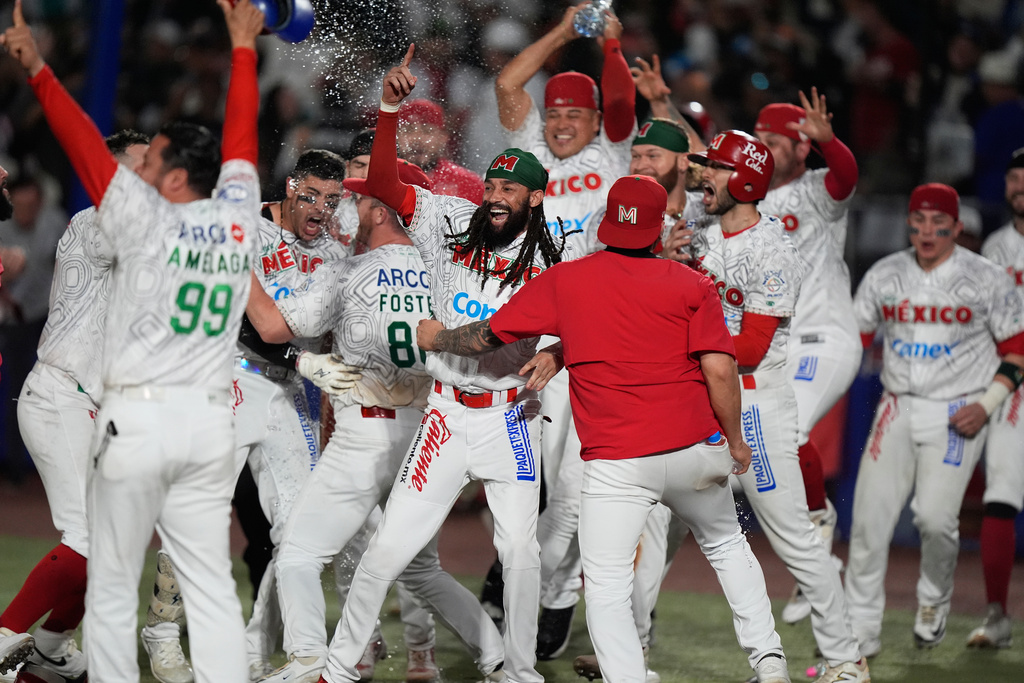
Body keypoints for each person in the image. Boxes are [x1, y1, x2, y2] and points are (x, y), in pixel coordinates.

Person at [417, 173, 793, 683]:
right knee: (728, 547)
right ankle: (768, 662)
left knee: (608, 585)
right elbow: (721, 369)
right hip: (692, 448)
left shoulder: (566, 279)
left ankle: (628, 678)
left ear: (609, 222)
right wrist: (735, 439)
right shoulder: (692, 283)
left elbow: (485, 337)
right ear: (659, 228)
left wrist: (438, 336)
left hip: (619, 463)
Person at [1, 1, 265, 681]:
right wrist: (243, 50)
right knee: (209, 587)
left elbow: (84, 143)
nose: (142, 173)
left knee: (114, 581)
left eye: (156, 163)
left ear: (175, 178)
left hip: (139, 418)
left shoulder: (142, 220)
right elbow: (242, 143)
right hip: (209, 422)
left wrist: (37, 71)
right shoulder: (239, 216)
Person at [316, 44, 568, 683]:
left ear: (535, 199)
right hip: (446, 415)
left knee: (518, 550)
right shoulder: (451, 219)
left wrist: (558, 353)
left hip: (509, 419)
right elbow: (382, 184)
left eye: (509, 188)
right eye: (491, 184)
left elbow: (566, 324)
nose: (494, 196)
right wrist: (387, 112)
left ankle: (517, 669)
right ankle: (339, 666)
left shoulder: (553, 255)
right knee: (388, 551)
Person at [244, 159, 504, 683]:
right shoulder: (443, 270)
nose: (346, 210)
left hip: (364, 434)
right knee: (423, 569)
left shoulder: (349, 271)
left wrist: (234, 264)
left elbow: (271, 327)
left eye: (357, 199)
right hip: (426, 432)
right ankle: (501, 660)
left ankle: (309, 660)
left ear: (381, 208)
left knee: (297, 555)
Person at [0, 131, 199, 683]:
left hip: (92, 404)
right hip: (61, 395)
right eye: (140, 165)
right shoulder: (100, 221)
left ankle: (49, 648)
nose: (152, 174)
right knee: (86, 539)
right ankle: (6, 633)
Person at [683, 130, 869, 682]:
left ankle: (844, 659)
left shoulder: (774, 249)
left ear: (744, 180)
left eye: (714, 168)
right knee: (657, 525)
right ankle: (632, 653)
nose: (703, 176)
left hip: (755, 405)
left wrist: (675, 339)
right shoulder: (699, 233)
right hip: (699, 400)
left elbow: (751, 348)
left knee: (794, 538)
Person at [494, 3, 637, 654]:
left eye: (572, 115)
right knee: (528, 475)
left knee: (576, 486)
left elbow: (622, 103)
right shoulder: (529, 149)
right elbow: (506, 85)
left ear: (594, 121)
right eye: (552, 114)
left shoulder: (613, 149)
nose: (558, 125)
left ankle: (551, 594)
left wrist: (608, 44)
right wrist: (561, 32)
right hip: (529, 336)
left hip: (589, 341)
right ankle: (518, 574)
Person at [846, 183, 1024, 657]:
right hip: (897, 403)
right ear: (908, 222)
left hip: (957, 407)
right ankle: (861, 628)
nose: (927, 231)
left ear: (957, 228)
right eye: (918, 221)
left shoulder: (987, 278)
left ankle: (933, 601)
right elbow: (854, 337)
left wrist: (986, 405)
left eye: (937, 223)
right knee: (867, 521)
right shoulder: (886, 274)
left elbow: (1018, 350)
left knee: (936, 518)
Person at [230, 147, 350, 678]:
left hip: (293, 390)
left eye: (331, 200)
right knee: (194, 515)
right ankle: (163, 632)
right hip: (229, 378)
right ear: (289, 189)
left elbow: (321, 331)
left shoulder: (335, 253)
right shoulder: (247, 227)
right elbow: (256, 324)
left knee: (299, 532)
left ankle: (292, 654)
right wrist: (302, 355)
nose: (320, 209)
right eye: (310, 196)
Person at [749, 90, 861, 625]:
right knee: (760, 449)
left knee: (788, 434)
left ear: (800, 148)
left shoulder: (817, 190)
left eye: (776, 141)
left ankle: (816, 533)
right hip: (774, 346)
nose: (765, 149)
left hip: (824, 336)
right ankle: (814, 551)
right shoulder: (746, 204)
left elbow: (845, 176)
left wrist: (829, 142)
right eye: (760, 140)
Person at [969, 148, 1024, 648]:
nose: (1019, 183)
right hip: (1013, 388)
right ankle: (997, 615)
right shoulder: (997, 247)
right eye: (1013, 175)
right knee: (1001, 499)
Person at [396, 99, 483, 204]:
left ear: (443, 138)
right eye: (408, 130)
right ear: (396, 137)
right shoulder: (382, 181)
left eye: (427, 131)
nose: (417, 138)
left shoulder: (469, 184)